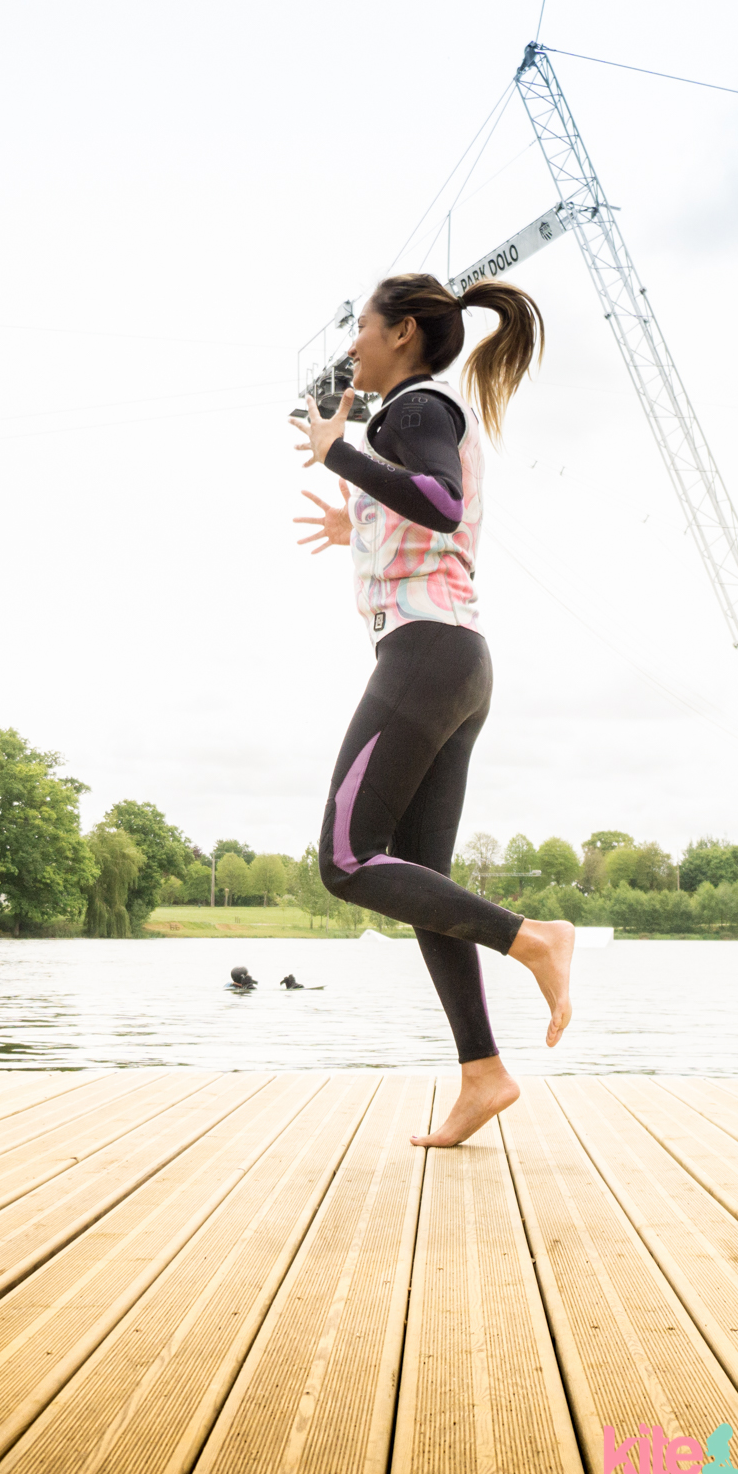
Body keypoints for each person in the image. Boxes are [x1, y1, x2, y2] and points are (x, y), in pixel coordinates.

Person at [290, 273, 574, 1147]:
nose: (352, 348)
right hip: (451, 659)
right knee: (423, 884)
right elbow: (430, 508)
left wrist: (341, 452)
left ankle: (533, 937)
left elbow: (443, 505)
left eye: (362, 331)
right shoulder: (420, 413)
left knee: (344, 859)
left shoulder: (411, 408)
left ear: (404, 333)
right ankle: (485, 1073)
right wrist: (360, 518)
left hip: (426, 655)